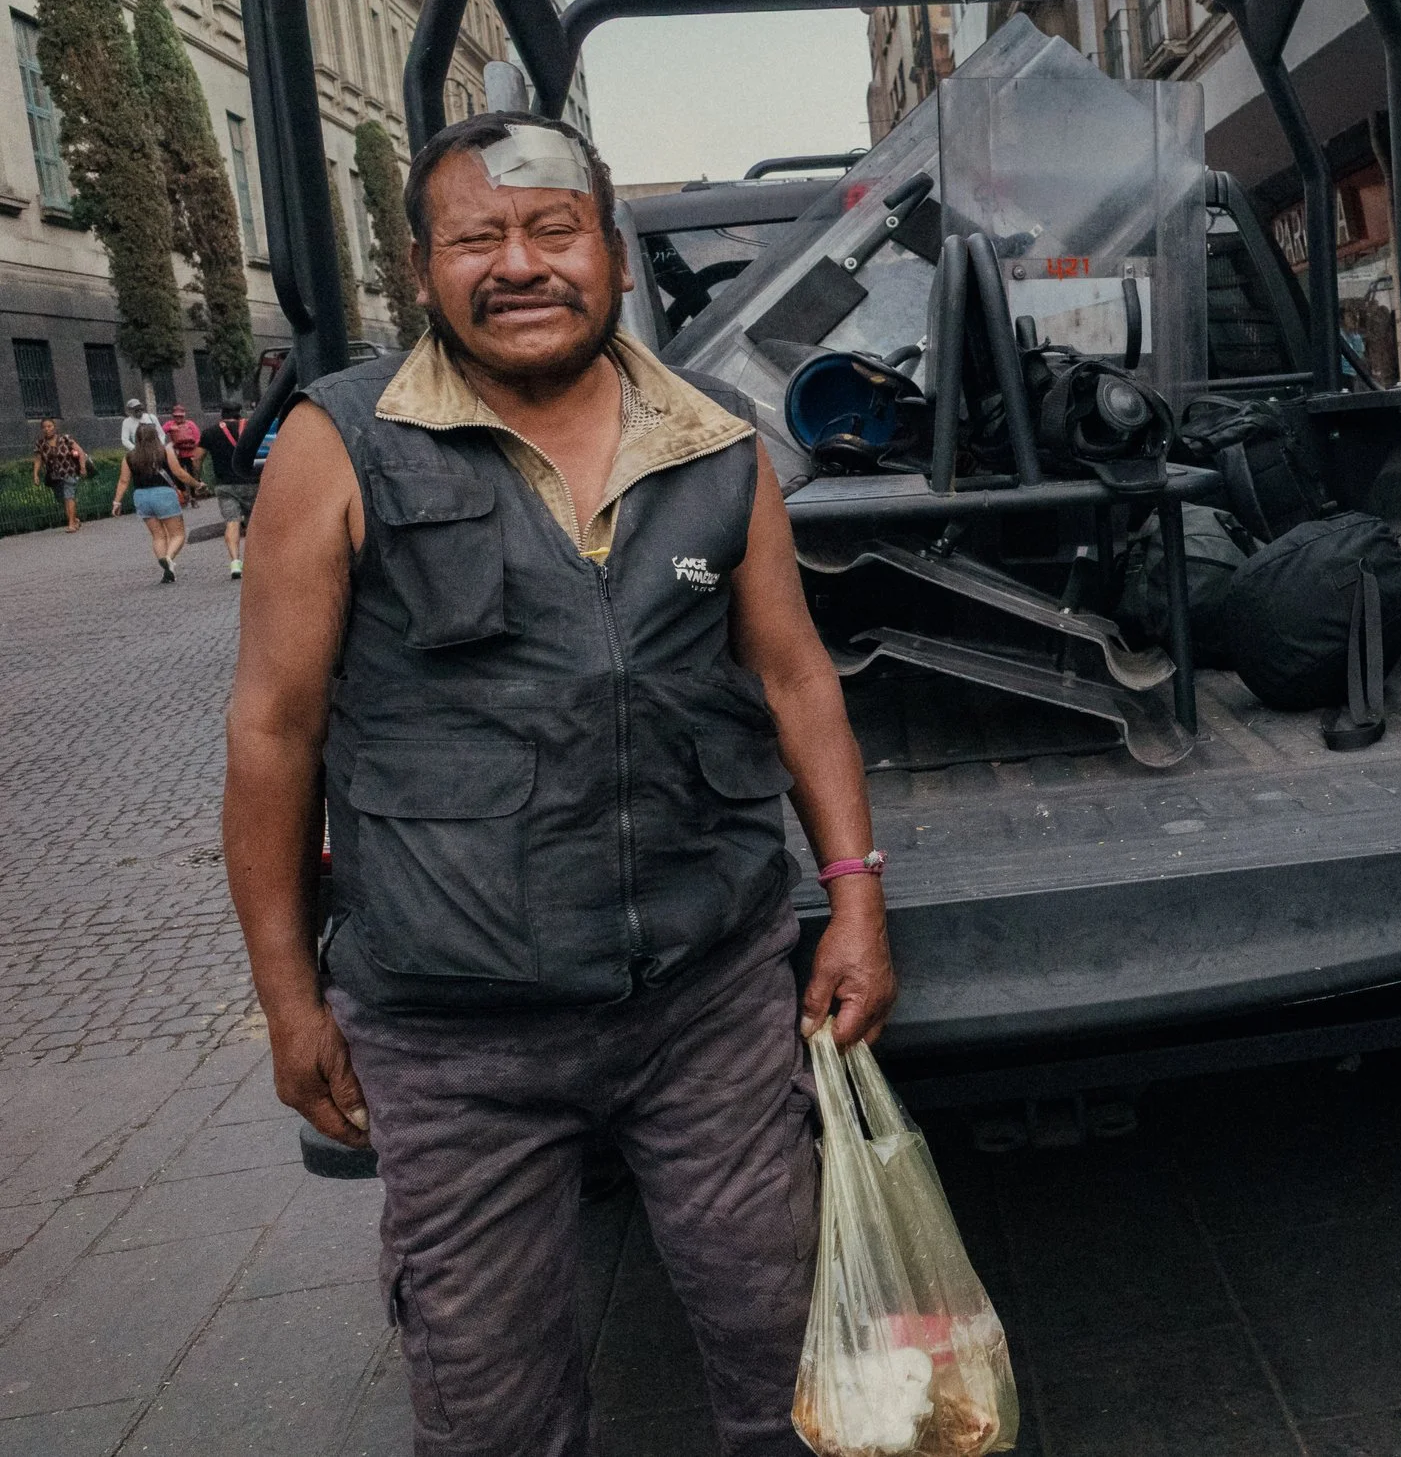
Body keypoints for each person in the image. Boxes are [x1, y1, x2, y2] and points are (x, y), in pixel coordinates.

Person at [222, 110, 896, 1457]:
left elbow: (796, 679)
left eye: (552, 229)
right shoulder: (337, 444)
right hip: (454, 1036)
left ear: (614, 258)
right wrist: (290, 998)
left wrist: (857, 901)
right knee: (492, 1418)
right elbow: (273, 735)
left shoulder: (714, 445)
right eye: (478, 237)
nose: (518, 264)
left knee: (797, 1379)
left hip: (706, 1000)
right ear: (424, 270)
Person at [112, 424, 198, 582]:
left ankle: (166, 567)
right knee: (177, 534)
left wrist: (117, 502)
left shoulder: (129, 457)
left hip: (141, 497)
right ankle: (169, 558)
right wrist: (197, 484)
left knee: (158, 536)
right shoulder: (165, 452)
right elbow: (179, 473)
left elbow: (124, 481)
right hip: (164, 494)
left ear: (136, 438)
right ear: (156, 436)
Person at [198, 399, 254, 577]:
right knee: (255, 522)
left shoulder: (210, 433)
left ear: (222, 414)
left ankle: (235, 562)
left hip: (225, 485)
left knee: (232, 521)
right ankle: (258, 561)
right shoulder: (251, 428)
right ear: (240, 413)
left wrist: (197, 479)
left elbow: (197, 458)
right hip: (253, 482)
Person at [33, 415, 90, 531]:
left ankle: (71, 524)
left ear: (54, 427)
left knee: (69, 496)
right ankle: (74, 519)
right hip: (54, 476)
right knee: (62, 498)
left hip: (69, 472)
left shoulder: (65, 439)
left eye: (49, 426)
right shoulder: (40, 444)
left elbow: (80, 452)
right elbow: (38, 460)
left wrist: (83, 467)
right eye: (44, 427)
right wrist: (35, 474)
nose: (47, 429)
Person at [160, 402, 202, 500]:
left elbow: (197, 438)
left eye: (180, 416)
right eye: (176, 416)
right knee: (178, 475)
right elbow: (161, 431)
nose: (178, 418)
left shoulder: (190, 424)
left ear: (184, 415)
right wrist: (171, 428)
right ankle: (183, 494)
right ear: (173, 416)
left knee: (192, 475)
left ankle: (193, 497)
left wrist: (191, 446)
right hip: (177, 455)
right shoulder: (170, 424)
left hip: (190, 453)